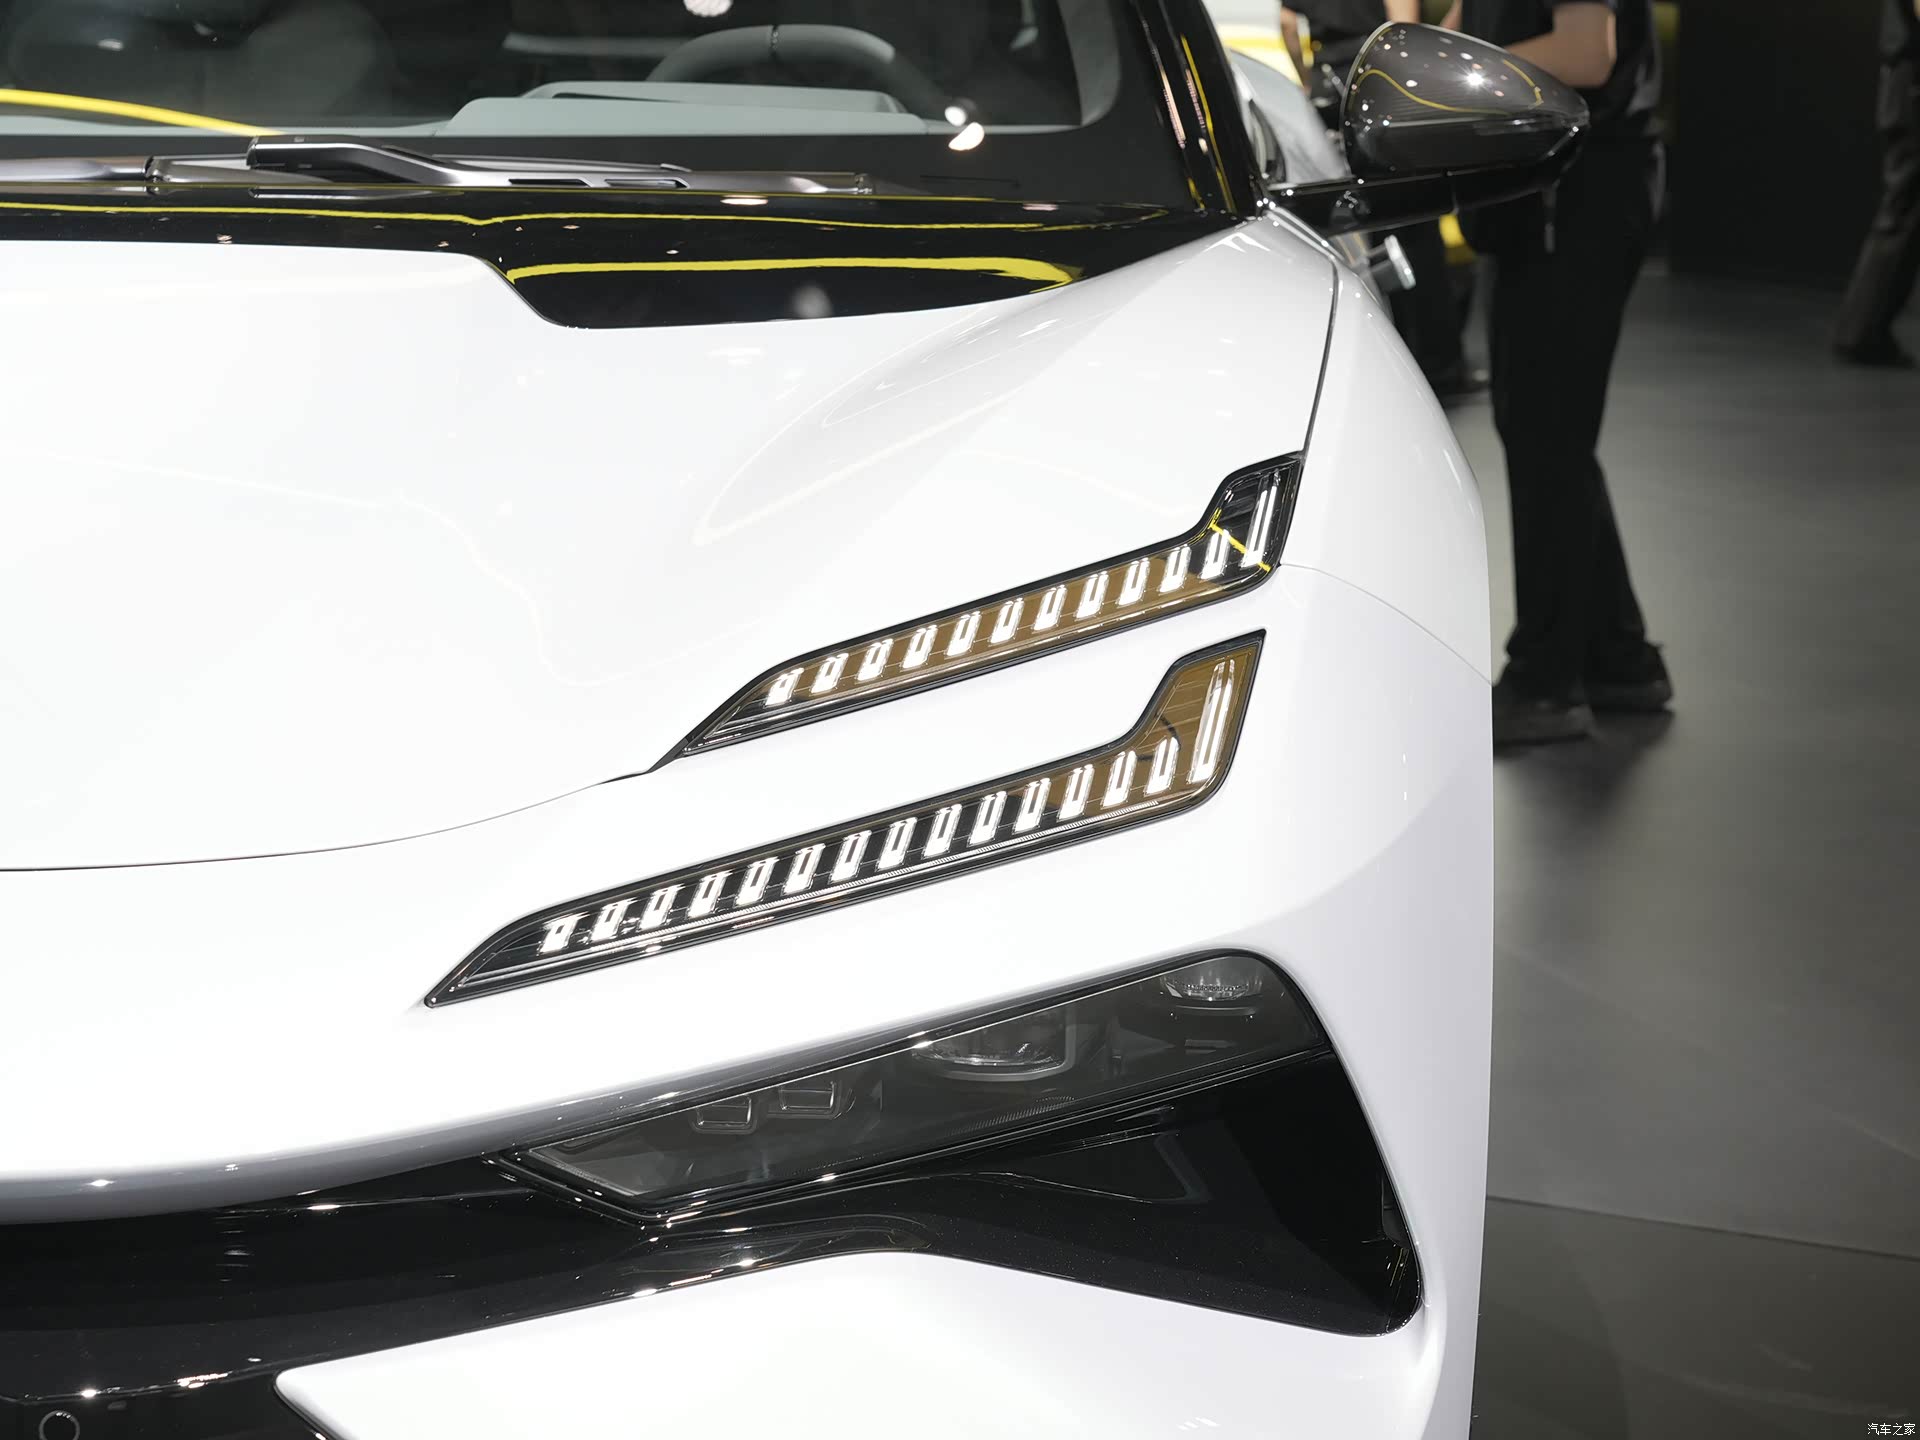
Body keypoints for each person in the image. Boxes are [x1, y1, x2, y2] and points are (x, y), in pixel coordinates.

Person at [1445, 0, 1671, 744]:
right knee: (1546, 430)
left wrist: (1459, 77)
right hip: (1539, 198)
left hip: (1578, 198)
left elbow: (1586, 53)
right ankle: (1620, 659)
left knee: (1547, 434)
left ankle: (1545, 682)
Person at [1281, 0, 1485, 398]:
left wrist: (1306, 76)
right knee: (1415, 227)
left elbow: (1288, 23)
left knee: (1368, 229)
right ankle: (1438, 367)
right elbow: (1402, 33)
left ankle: (1391, 360)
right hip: (1381, 87)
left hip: (1330, 83)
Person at [1834, 0, 1920, 368]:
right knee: (1902, 209)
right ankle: (1861, 331)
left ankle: (1862, 330)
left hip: (1903, 82)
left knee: (1903, 209)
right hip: (1911, 81)